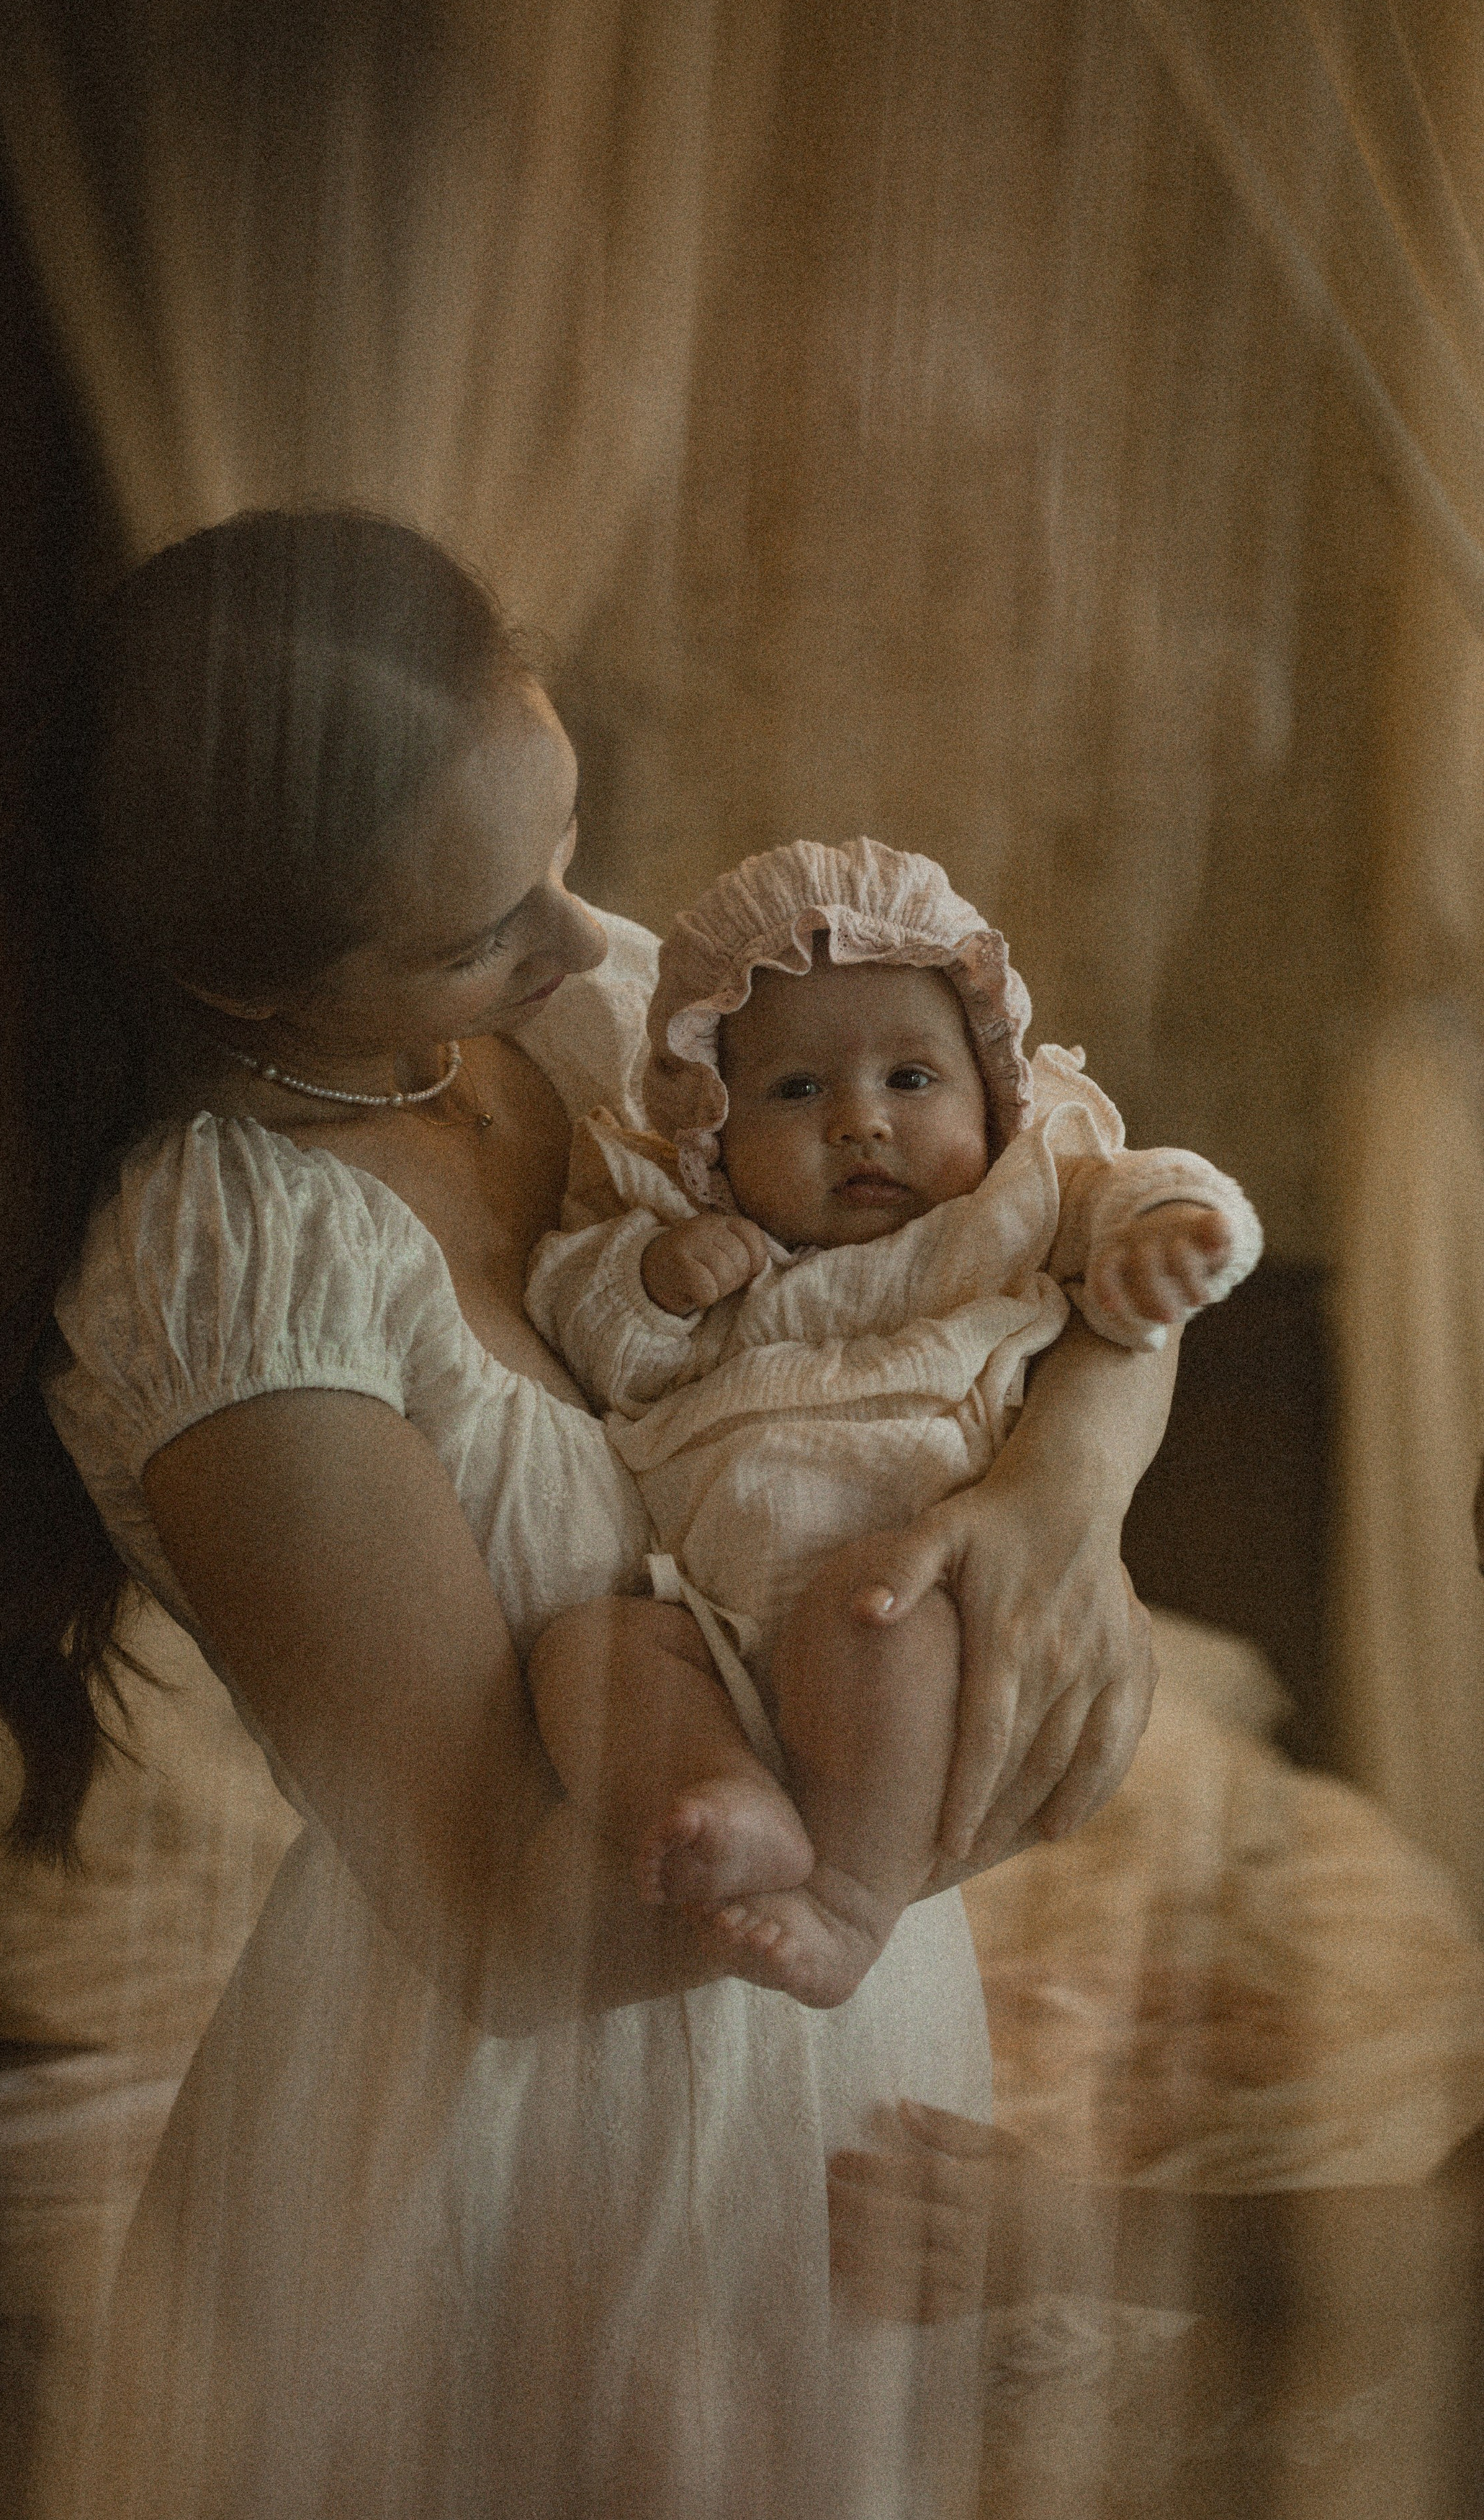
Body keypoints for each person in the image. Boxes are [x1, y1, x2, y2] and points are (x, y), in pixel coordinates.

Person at [0, 508, 1180, 2520]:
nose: (571, 934)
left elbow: (1069, 1208)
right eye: (481, 919)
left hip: (829, 2063)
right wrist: (931, 1822)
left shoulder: (586, 1017)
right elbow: (505, 1917)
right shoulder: (227, 1271)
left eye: (558, 842)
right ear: (246, 985)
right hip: (495, 2162)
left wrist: (1064, 1504)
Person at [525, 838, 1262, 2007]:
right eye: (797, 1091)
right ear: (709, 1125)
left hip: (918, 1601)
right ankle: (726, 1800)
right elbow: (585, 1329)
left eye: (911, 1081)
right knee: (588, 1655)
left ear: (994, 1088)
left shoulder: (1009, 1208)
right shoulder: (677, 1220)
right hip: (715, 1626)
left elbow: (1138, 1182)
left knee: (876, 1623)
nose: (861, 1122)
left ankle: (849, 1897)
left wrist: (1172, 1228)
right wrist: (660, 1281)